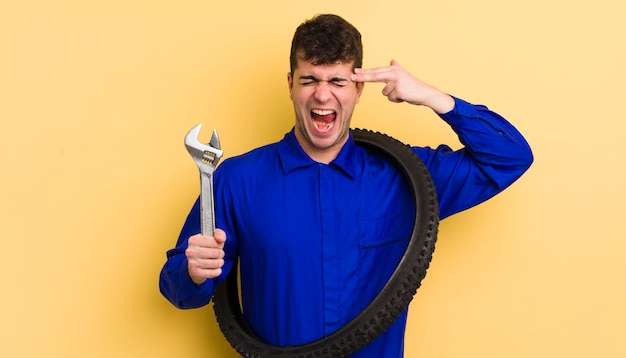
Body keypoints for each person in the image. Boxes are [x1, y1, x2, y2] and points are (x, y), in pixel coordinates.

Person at [159, 14, 533, 357]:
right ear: (291, 85)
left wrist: (433, 97)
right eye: (309, 80)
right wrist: (193, 272)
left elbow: (510, 156)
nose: (323, 95)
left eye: (338, 81)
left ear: (358, 89)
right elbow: (177, 289)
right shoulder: (236, 180)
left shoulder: (409, 177)